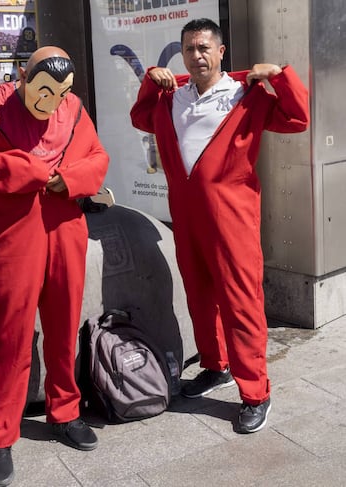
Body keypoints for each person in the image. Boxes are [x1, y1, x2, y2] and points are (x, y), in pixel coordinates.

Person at [130, 18, 309, 434]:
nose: (197, 56)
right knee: (199, 294)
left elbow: (297, 118)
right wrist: (149, 83)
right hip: (187, 215)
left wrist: (280, 77)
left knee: (241, 302)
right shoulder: (170, 96)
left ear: (221, 52)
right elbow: (140, 118)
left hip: (233, 218)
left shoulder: (246, 96)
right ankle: (215, 365)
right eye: (190, 49)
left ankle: (256, 393)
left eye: (205, 48)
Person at [0, 46, 109, 486]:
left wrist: (68, 179)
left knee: (64, 327)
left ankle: (65, 412)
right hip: (14, 232)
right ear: (23, 75)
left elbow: (98, 158)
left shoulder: (73, 108)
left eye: (62, 91)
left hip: (65, 226)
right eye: (44, 89)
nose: (52, 100)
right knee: (10, 335)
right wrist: (17, 169)